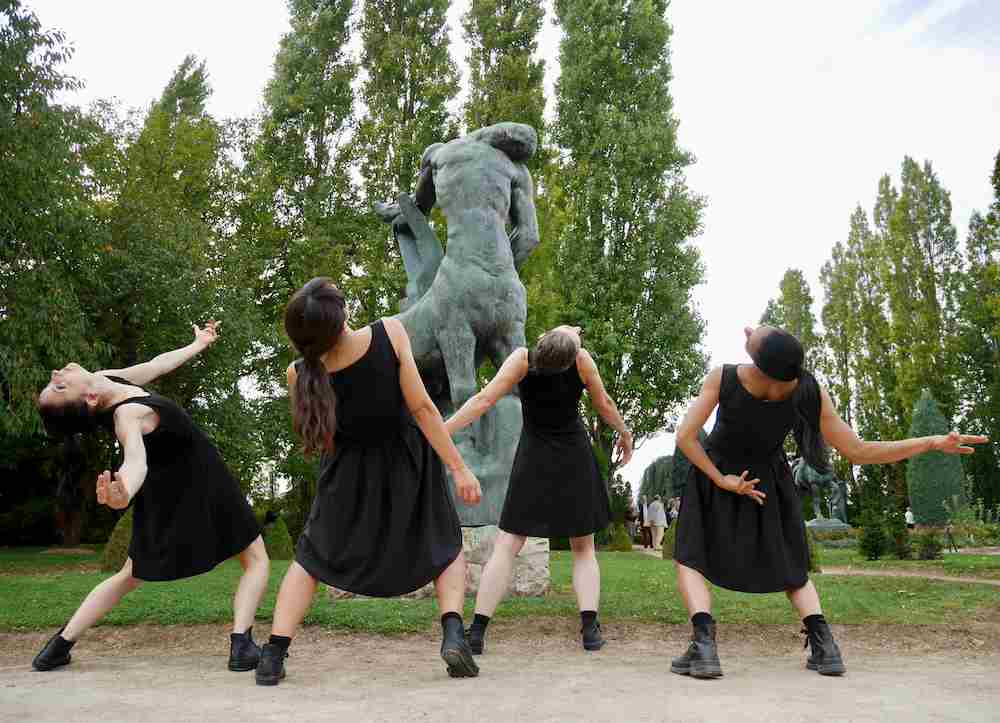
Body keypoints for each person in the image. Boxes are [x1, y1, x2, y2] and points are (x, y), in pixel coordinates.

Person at [671, 325, 988, 679]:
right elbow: (860, 451)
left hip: (715, 475)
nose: (749, 331)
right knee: (793, 566)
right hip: (771, 483)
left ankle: (704, 647)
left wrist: (721, 479)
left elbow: (686, 437)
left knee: (690, 556)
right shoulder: (808, 390)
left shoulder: (724, 377)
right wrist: (930, 442)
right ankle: (825, 647)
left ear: (759, 361)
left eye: (754, 335)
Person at [255, 278, 483, 686]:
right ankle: (453, 634)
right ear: (341, 315)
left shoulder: (297, 374)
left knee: (310, 558)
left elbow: (320, 435)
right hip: (408, 463)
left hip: (345, 476)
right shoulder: (389, 333)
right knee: (445, 543)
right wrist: (458, 467)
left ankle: (273, 653)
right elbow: (423, 408)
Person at [32, 322, 269, 673]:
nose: (56, 374)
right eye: (59, 386)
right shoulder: (127, 414)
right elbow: (135, 460)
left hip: (170, 490)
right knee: (256, 558)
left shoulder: (107, 380)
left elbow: (157, 365)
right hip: (199, 485)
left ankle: (57, 648)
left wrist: (198, 344)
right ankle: (242, 647)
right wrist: (124, 490)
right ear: (90, 399)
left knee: (130, 574)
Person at [444, 325, 633, 654]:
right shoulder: (581, 360)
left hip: (534, 457)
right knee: (583, 547)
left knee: (507, 545)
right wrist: (624, 432)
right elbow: (603, 403)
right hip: (574, 456)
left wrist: (442, 430)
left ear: (543, 342)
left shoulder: (522, 359)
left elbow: (483, 400)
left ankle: (477, 632)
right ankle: (590, 631)